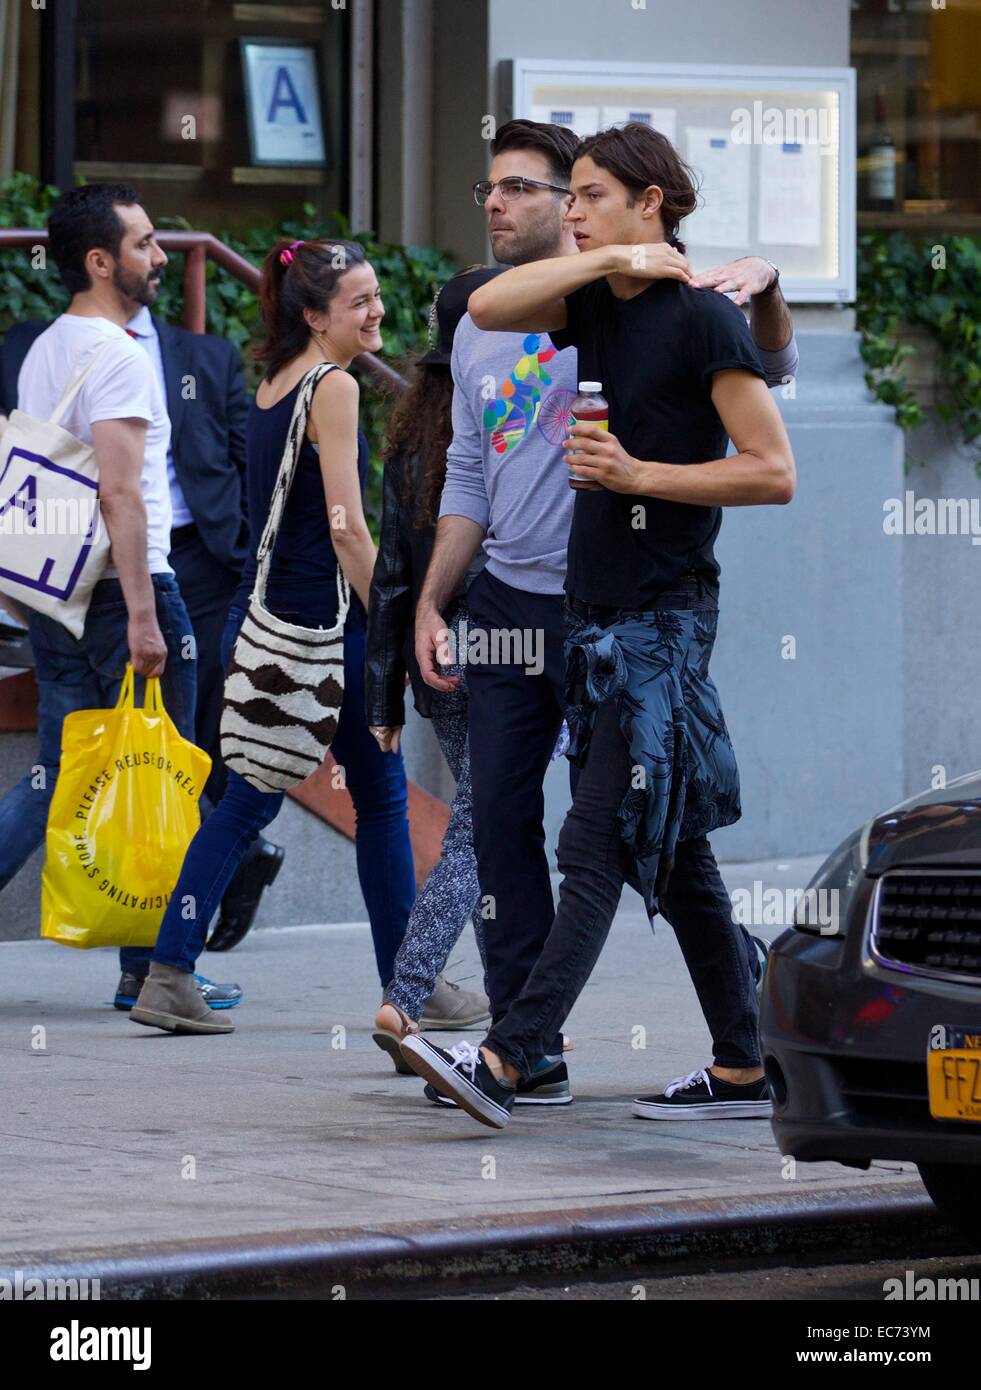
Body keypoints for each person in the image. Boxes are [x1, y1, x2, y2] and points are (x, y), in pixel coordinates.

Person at [402, 122, 797, 1128]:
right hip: (591, 619)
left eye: (589, 196)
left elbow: (771, 469)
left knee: (594, 843)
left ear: (650, 200)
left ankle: (509, 1055)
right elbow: (488, 301)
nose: (569, 212)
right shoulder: (595, 305)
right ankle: (749, 1065)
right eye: (566, 196)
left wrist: (635, 477)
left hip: (662, 624)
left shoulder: (702, 320)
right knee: (677, 851)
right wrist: (615, 256)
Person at [130, 237, 417, 1034]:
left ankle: (171, 970)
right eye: (359, 300)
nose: (378, 311)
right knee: (368, 797)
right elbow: (348, 532)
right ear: (315, 316)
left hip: (267, 626)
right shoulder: (333, 388)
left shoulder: (274, 383)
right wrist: (394, 628)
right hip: (326, 631)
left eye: (376, 295)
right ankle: (408, 985)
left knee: (257, 798)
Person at [0, 184, 239, 1011]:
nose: (161, 256)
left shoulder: (43, 350)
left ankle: (147, 969)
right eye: (143, 244)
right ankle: (159, 973)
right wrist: (145, 615)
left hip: (57, 590)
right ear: (101, 261)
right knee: (160, 774)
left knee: (64, 770)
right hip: (125, 590)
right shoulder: (119, 355)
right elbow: (122, 495)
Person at [366, 268, 500, 1070]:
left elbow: (391, 571)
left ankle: (519, 1013)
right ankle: (406, 994)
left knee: (492, 829)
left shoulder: (415, 427)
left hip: (431, 653)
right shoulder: (503, 414)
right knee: (482, 833)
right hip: (500, 646)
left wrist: (384, 694)